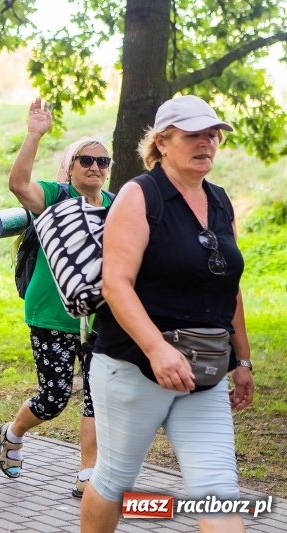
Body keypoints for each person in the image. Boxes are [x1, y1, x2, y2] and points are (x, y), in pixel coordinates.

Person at [80, 95, 254, 533]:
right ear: (162, 140)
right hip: (133, 366)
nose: (207, 143)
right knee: (115, 480)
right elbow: (115, 284)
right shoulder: (141, 195)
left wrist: (243, 359)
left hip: (205, 369)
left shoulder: (220, 201)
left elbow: (228, 286)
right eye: (193, 134)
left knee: (218, 490)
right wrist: (158, 350)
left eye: (212, 134)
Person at [0, 98, 113, 498]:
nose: (96, 167)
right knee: (54, 397)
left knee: (98, 397)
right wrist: (34, 134)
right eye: (86, 160)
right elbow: (18, 185)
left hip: (100, 318)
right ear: (70, 165)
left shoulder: (116, 206)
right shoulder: (55, 196)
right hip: (51, 314)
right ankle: (12, 432)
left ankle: (87, 474)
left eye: (103, 161)